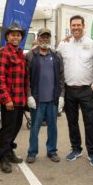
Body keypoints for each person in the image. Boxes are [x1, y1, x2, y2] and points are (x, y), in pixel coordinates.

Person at [58, 15, 93, 167]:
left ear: (83, 26)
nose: (76, 27)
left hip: (86, 90)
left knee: (90, 123)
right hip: (69, 90)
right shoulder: (63, 44)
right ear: (70, 27)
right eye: (73, 25)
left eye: (78, 25)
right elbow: (56, 61)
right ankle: (76, 149)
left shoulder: (92, 44)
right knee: (72, 122)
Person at [25, 27, 65, 164]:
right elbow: (26, 78)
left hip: (52, 99)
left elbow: (61, 78)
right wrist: (28, 95)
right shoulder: (30, 55)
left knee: (53, 127)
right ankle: (32, 152)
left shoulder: (56, 55)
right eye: (42, 36)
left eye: (47, 37)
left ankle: (52, 151)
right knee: (35, 127)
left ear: (50, 39)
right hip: (37, 100)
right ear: (38, 38)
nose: (45, 39)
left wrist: (61, 96)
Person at [0, 22, 28, 173]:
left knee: (16, 127)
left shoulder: (20, 53)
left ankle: (9, 151)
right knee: (7, 129)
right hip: (10, 100)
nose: (16, 37)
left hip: (20, 99)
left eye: (18, 35)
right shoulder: (2, 53)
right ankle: (3, 158)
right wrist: (6, 99)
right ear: (7, 36)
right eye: (13, 34)